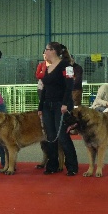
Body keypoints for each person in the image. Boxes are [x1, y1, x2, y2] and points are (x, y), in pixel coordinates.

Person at [37, 42, 78, 176]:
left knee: (62, 136)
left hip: (60, 105)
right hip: (48, 105)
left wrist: (65, 103)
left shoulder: (67, 66)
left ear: (53, 51)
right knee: (50, 136)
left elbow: (70, 86)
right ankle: (52, 164)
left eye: (47, 50)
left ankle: (72, 166)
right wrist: (40, 106)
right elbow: (44, 89)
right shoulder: (47, 67)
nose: (45, 52)